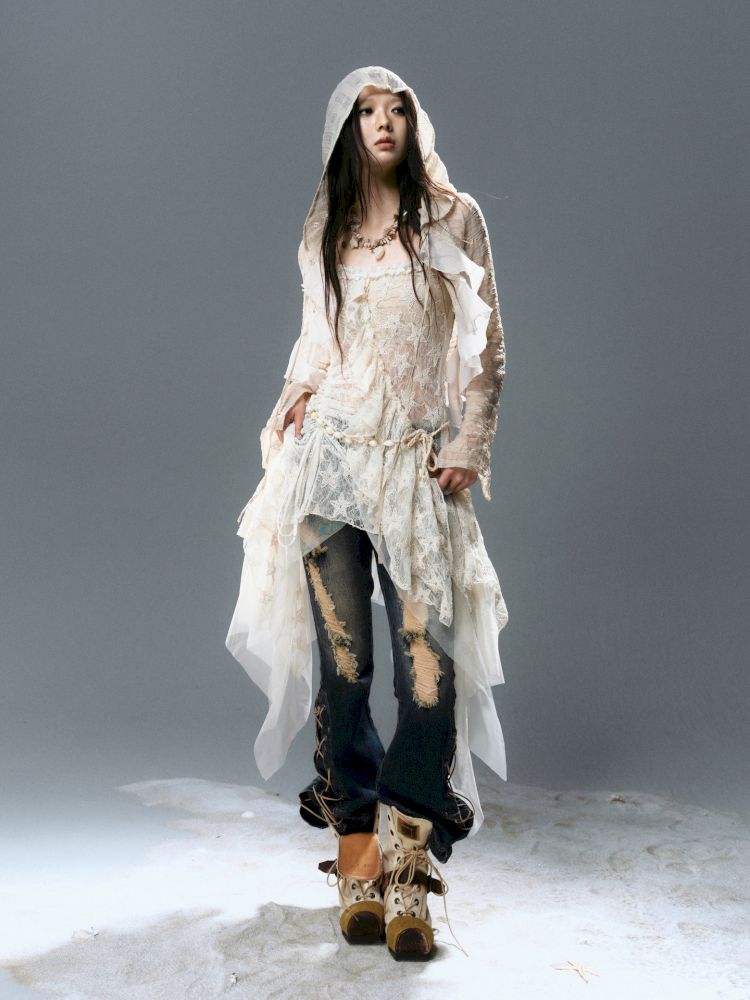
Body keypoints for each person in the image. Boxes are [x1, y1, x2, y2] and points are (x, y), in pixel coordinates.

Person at [225, 66, 509, 960]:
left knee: (428, 677)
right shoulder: (330, 227)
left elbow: (487, 349)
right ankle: (358, 852)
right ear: (346, 131)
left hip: (416, 468)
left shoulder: (455, 216)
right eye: (366, 112)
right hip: (330, 466)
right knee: (345, 668)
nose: (382, 123)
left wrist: (469, 444)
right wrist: (291, 401)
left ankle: (410, 860)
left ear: (414, 124)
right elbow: (319, 340)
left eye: (398, 109)